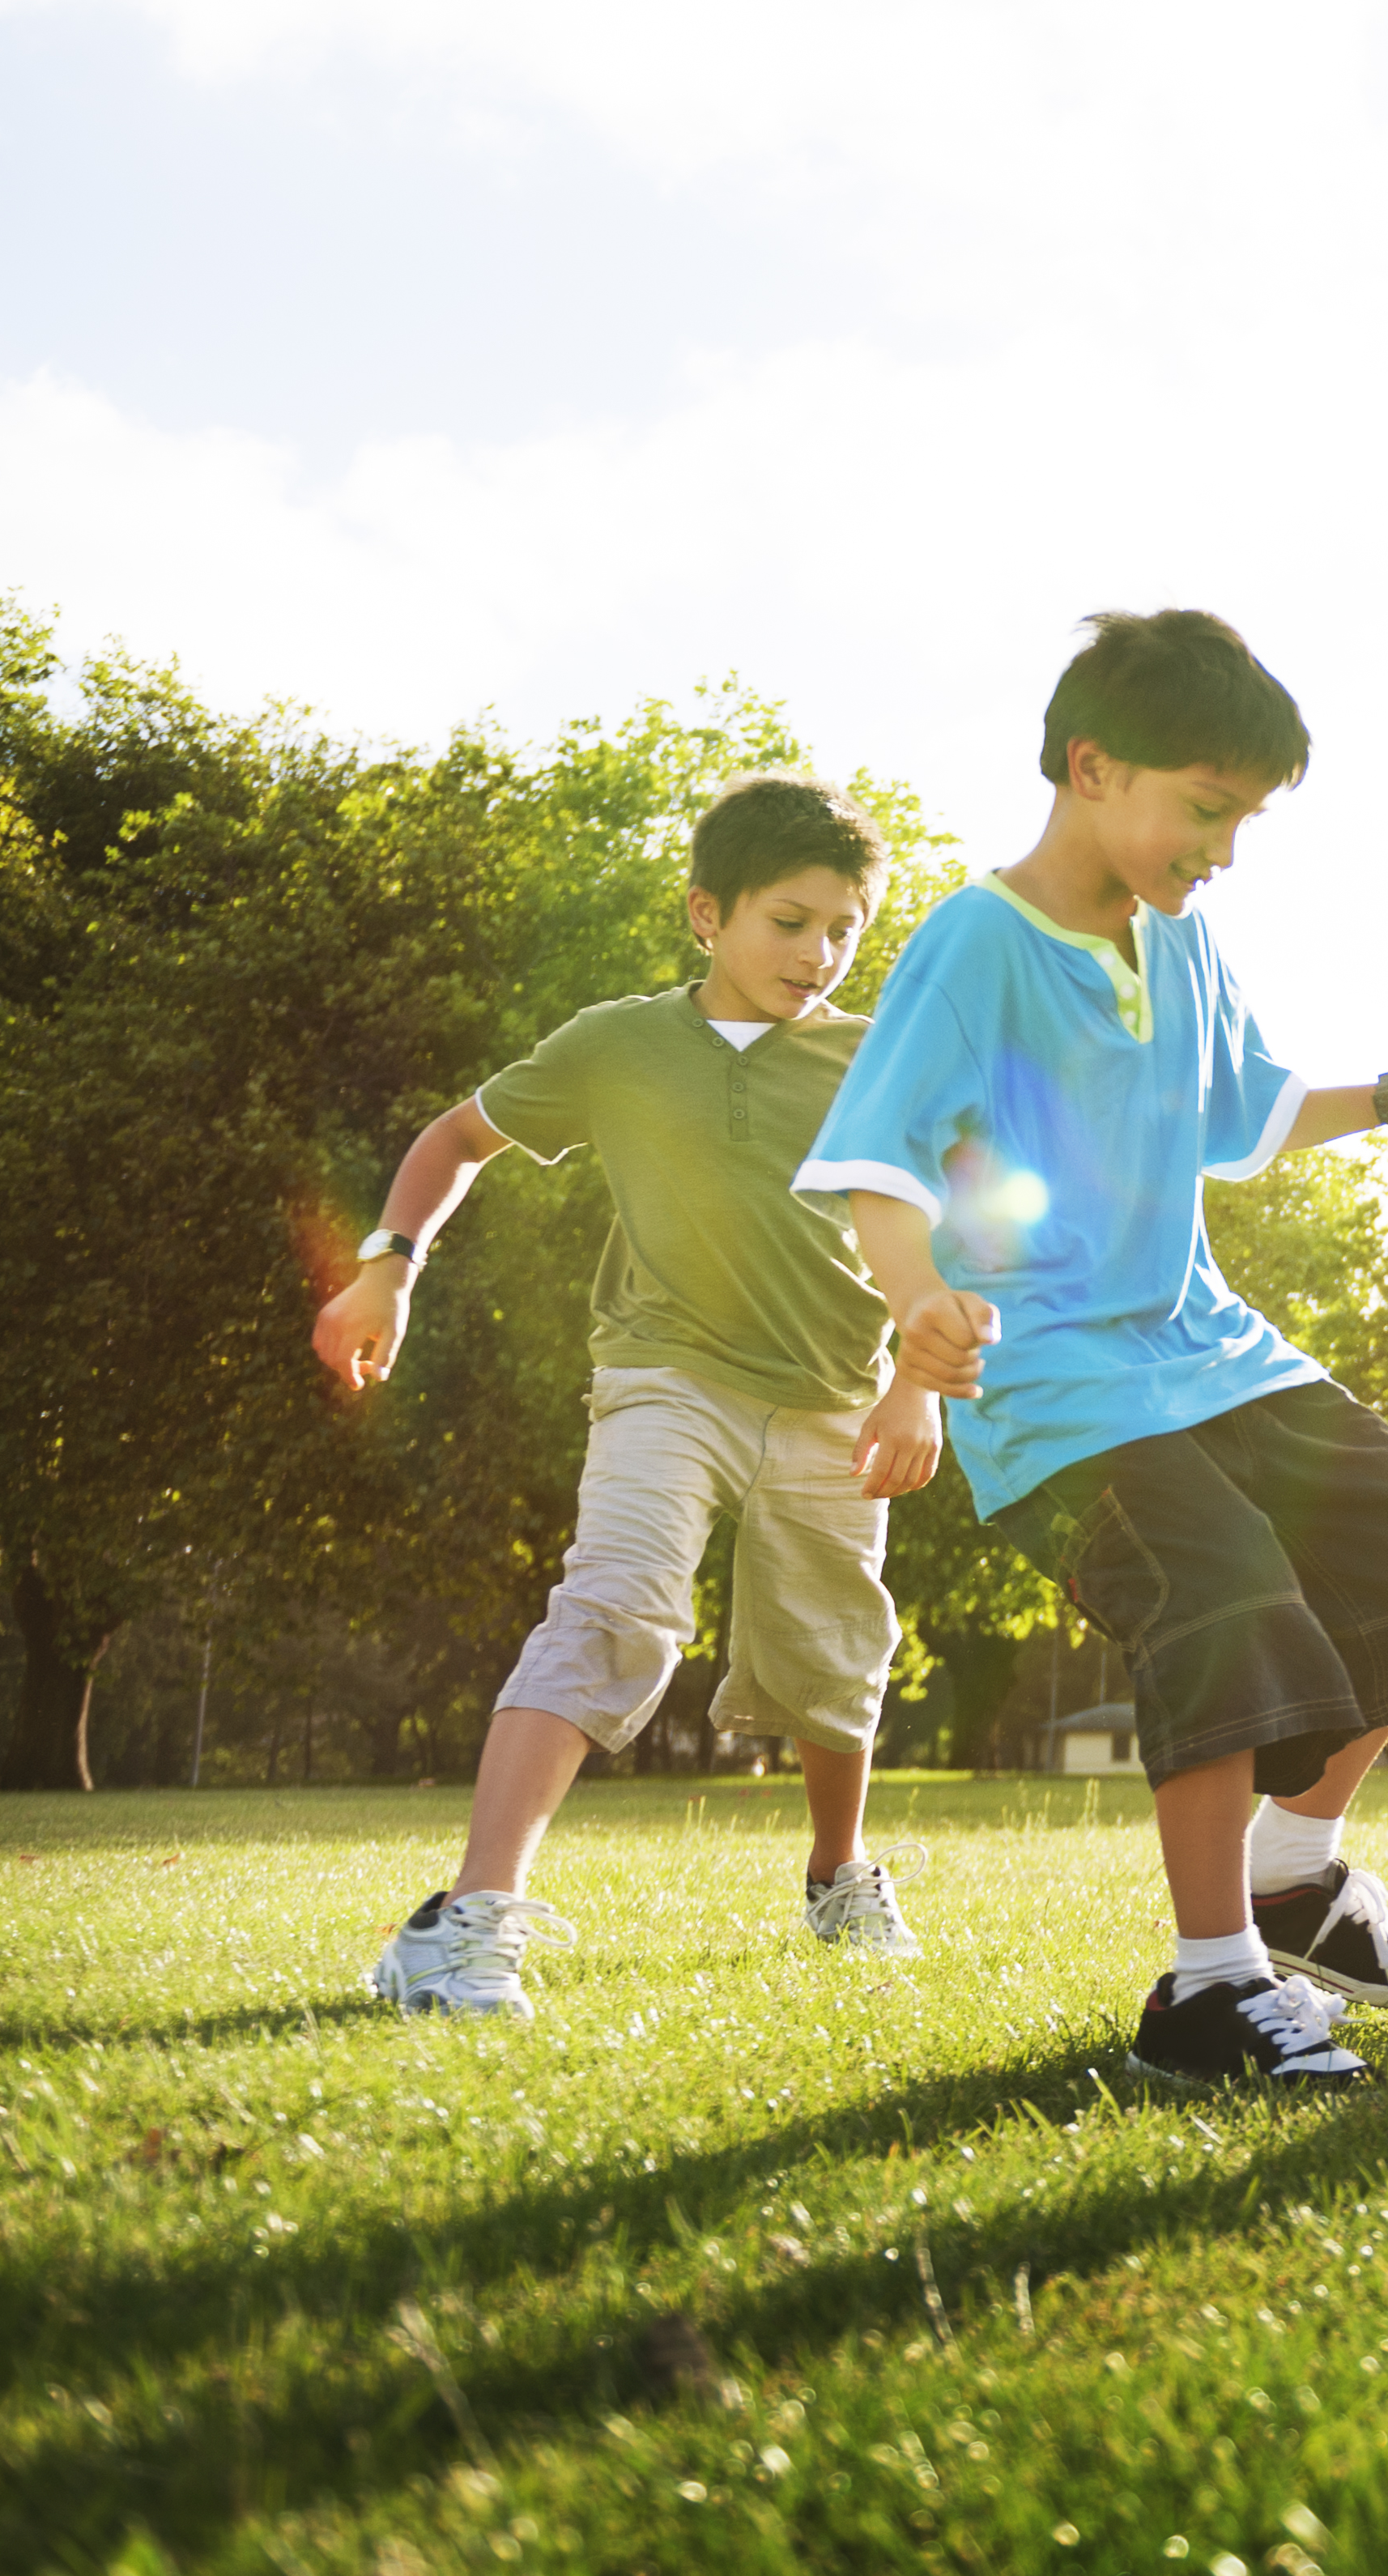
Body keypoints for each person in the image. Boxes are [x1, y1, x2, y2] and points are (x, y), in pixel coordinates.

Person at [799, 608, 1388, 2089]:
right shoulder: (974, 946)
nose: (1226, 847)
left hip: (1215, 1352)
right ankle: (1212, 1986)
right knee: (1227, 1597)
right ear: (1092, 767)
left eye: (1245, 818)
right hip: (1060, 1389)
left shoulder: (1183, 937)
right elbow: (876, 1159)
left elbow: (1241, 1114)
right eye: (1208, 809)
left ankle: (1294, 1873)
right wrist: (915, 1302)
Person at [317, 773, 946, 2019]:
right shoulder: (616, 1043)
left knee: (831, 1654)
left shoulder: (877, 1060)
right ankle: (467, 1921)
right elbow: (453, 1140)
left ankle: (838, 1875)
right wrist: (387, 1268)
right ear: (708, 915)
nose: (817, 953)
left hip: (833, 1395)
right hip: (666, 1376)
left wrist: (918, 1388)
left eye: (843, 929)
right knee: (616, 1607)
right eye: (788, 920)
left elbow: (928, 1232)